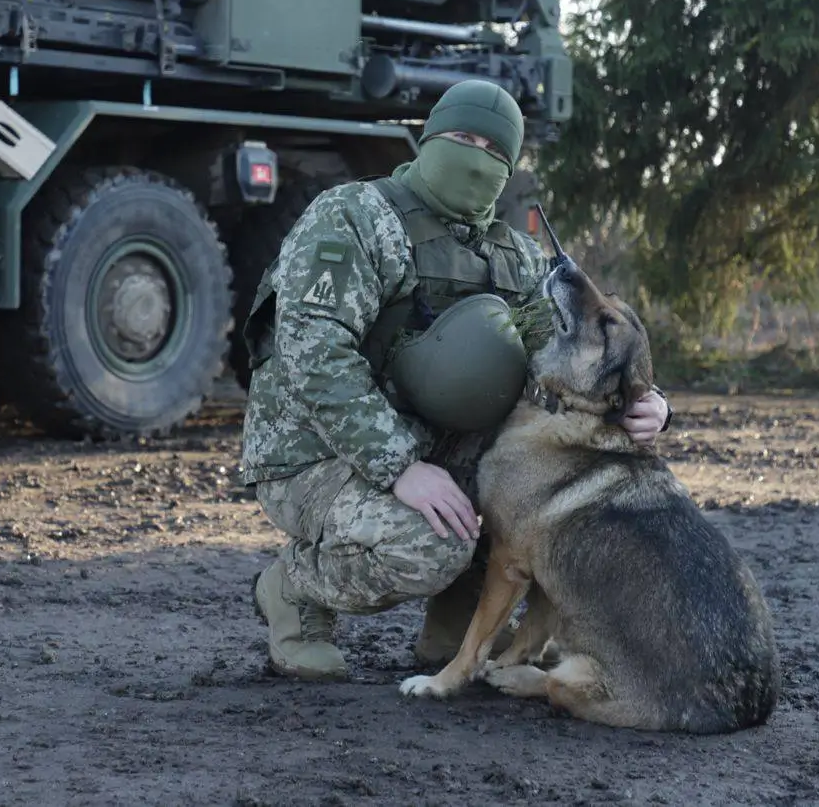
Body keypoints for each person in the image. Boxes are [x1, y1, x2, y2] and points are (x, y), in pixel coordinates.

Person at [236, 79, 672, 680]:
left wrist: (649, 405)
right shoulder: (354, 217)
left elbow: (576, 355)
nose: (476, 156)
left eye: (494, 150)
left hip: (434, 449)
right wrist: (399, 467)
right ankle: (294, 589)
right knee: (429, 547)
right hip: (314, 455)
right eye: (461, 138)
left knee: (538, 493)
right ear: (428, 138)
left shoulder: (515, 256)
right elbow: (314, 355)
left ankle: (458, 629)